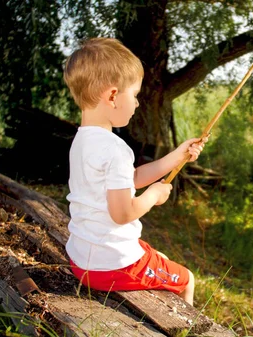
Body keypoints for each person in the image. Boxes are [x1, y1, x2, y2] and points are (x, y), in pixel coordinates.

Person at [63, 38, 206, 306]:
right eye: (136, 95)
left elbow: (132, 178)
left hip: (82, 259)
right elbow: (123, 214)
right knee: (187, 279)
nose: (138, 104)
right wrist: (153, 195)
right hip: (111, 266)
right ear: (113, 96)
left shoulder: (82, 141)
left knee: (160, 257)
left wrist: (178, 155)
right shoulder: (115, 149)